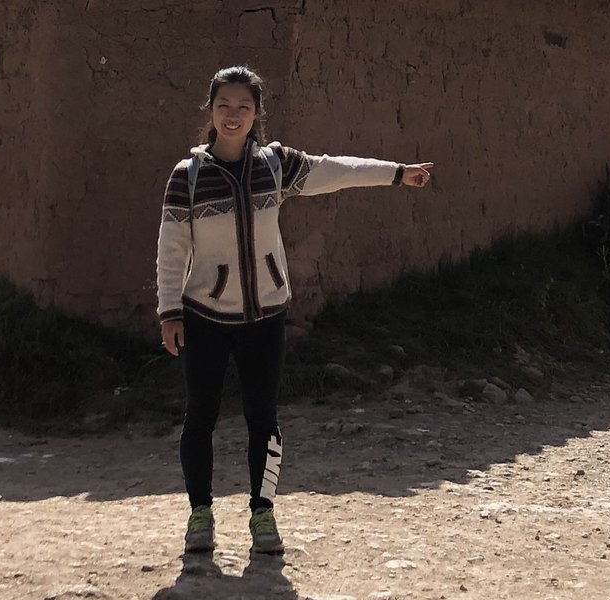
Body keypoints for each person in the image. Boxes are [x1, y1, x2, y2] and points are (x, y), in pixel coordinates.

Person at [155, 64, 432, 557]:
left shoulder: (276, 165)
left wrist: (395, 174)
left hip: (265, 318)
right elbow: (171, 249)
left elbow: (337, 171)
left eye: (243, 107)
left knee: (264, 417)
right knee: (201, 417)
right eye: (224, 106)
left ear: (257, 112)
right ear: (211, 112)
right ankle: (200, 514)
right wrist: (170, 312)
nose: (233, 115)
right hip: (205, 319)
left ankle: (263, 515)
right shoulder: (188, 177)